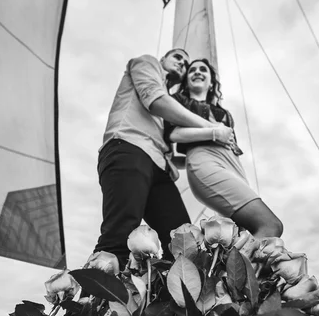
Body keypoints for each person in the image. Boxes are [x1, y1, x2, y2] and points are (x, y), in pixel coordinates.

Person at [94, 49, 224, 265]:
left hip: (159, 168)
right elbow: (154, 100)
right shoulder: (147, 63)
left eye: (185, 61)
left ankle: (173, 297)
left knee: (184, 243)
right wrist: (212, 128)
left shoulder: (170, 101)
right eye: (177, 57)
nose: (182, 63)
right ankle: (94, 297)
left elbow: (172, 154)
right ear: (163, 59)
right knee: (119, 236)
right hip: (128, 148)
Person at [167, 58, 283, 239]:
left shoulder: (226, 114)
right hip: (204, 160)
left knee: (240, 234)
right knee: (269, 225)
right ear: (186, 80)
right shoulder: (179, 101)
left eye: (203, 69)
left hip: (233, 165)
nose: (197, 72)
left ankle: (228, 267)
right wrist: (214, 133)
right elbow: (174, 134)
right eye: (192, 70)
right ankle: (241, 267)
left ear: (211, 81)